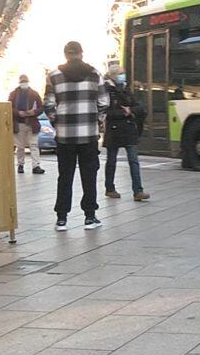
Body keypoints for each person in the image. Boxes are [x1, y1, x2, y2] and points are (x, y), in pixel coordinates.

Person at [45, 41, 109, 231]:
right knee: (89, 175)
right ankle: (90, 217)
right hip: (88, 134)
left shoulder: (54, 76)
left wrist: (58, 122)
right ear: (81, 53)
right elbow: (104, 102)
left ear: (66, 54)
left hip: (65, 136)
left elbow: (48, 105)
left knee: (65, 175)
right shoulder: (94, 74)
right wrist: (96, 121)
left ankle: (62, 218)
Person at [103, 66, 149, 202]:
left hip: (129, 129)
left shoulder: (125, 88)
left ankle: (138, 191)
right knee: (111, 160)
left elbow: (139, 107)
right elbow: (107, 111)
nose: (123, 75)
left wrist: (130, 110)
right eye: (120, 73)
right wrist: (124, 112)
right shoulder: (106, 90)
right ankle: (110, 188)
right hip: (114, 129)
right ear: (113, 75)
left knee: (134, 160)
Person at [9, 74, 45, 175]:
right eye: (22, 81)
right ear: (19, 82)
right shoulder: (13, 94)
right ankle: (20, 165)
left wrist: (33, 112)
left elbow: (41, 107)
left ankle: (36, 166)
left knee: (33, 145)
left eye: (25, 81)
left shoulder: (34, 94)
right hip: (19, 124)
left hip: (32, 123)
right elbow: (9, 107)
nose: (23, 83)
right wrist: (18, 112)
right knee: (20, 146)